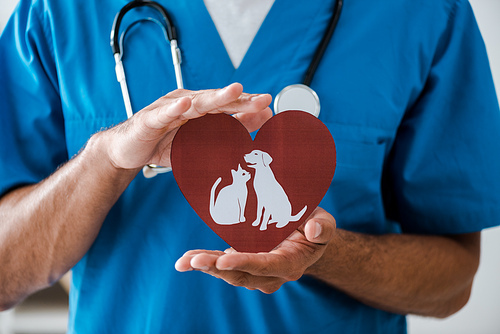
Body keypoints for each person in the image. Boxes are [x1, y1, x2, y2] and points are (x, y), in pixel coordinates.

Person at [1, 0, 499, 333]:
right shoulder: (57, 11)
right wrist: (104, 160)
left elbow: (453, 283)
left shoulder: (423, 12)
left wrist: (325, 254)